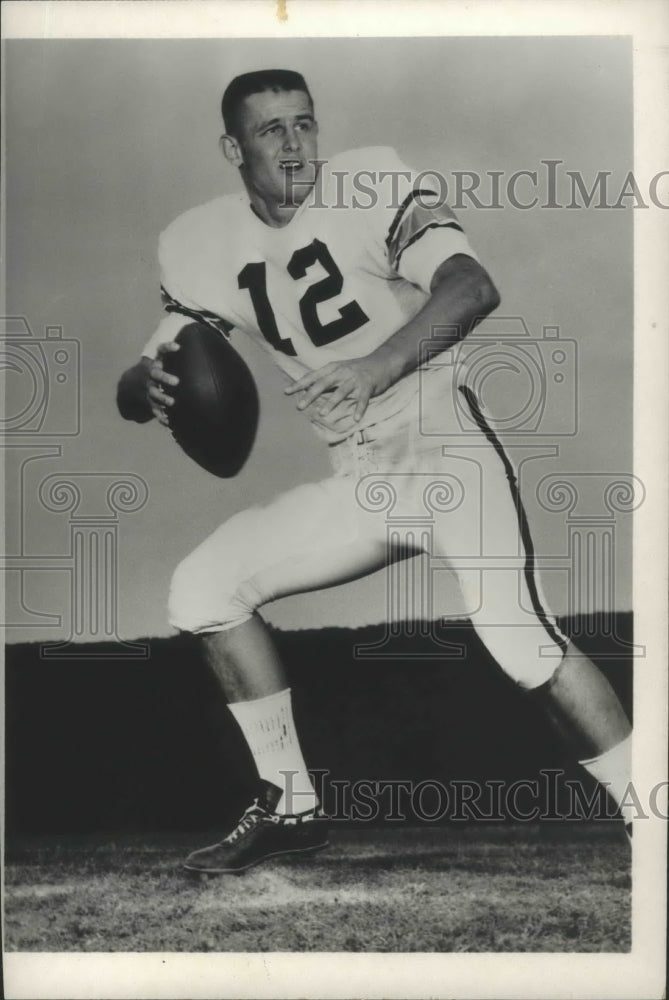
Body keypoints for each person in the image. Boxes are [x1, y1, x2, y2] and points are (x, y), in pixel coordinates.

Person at [117, 69, 633, 874]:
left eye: (303, 124)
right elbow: (151, 370)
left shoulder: (368, 181)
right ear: (232, 147)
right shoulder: (199, 242)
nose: (294, 145)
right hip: (361, 478)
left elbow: (471, 286)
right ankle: (290, 805)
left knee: (520, 642)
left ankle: (653, 811)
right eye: (270, 130)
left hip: (445, 455)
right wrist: (141, 387)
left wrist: (375, 367)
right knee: (202, 587)